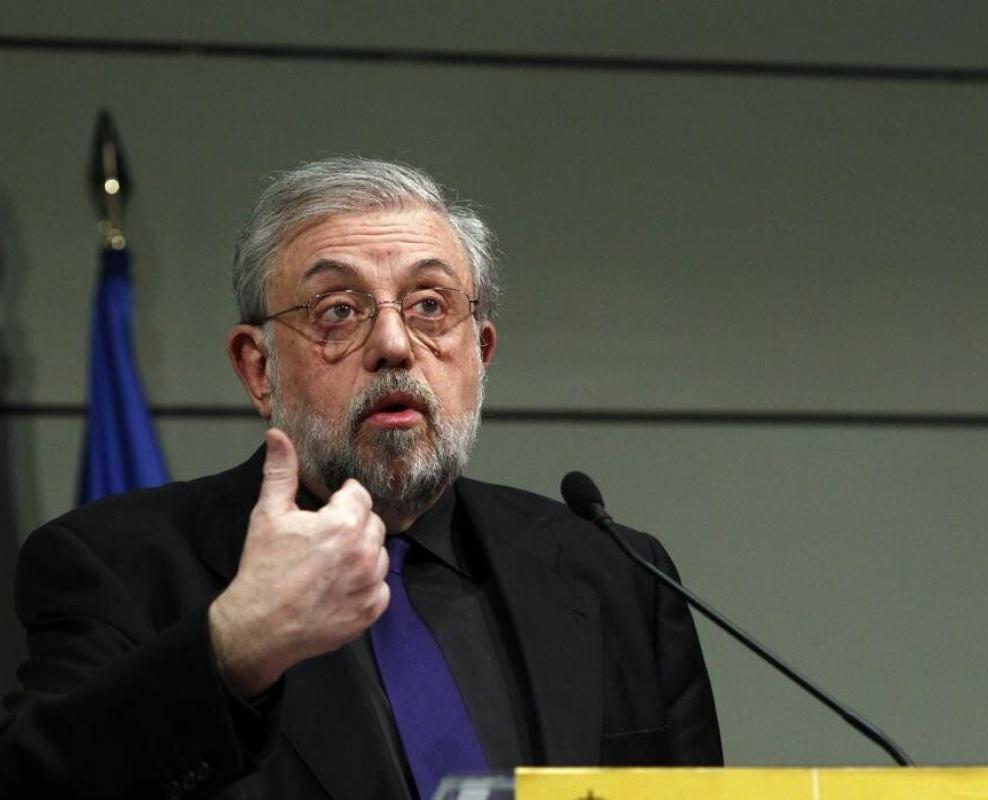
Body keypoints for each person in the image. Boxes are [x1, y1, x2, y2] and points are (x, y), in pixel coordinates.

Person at [0, 157, 722, 799]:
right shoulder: (117, 566)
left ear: (481, 353)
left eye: (431, 306)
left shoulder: (618, 576)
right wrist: (233, 652)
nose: (394, 344)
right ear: (258, 368)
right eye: (339, 312)